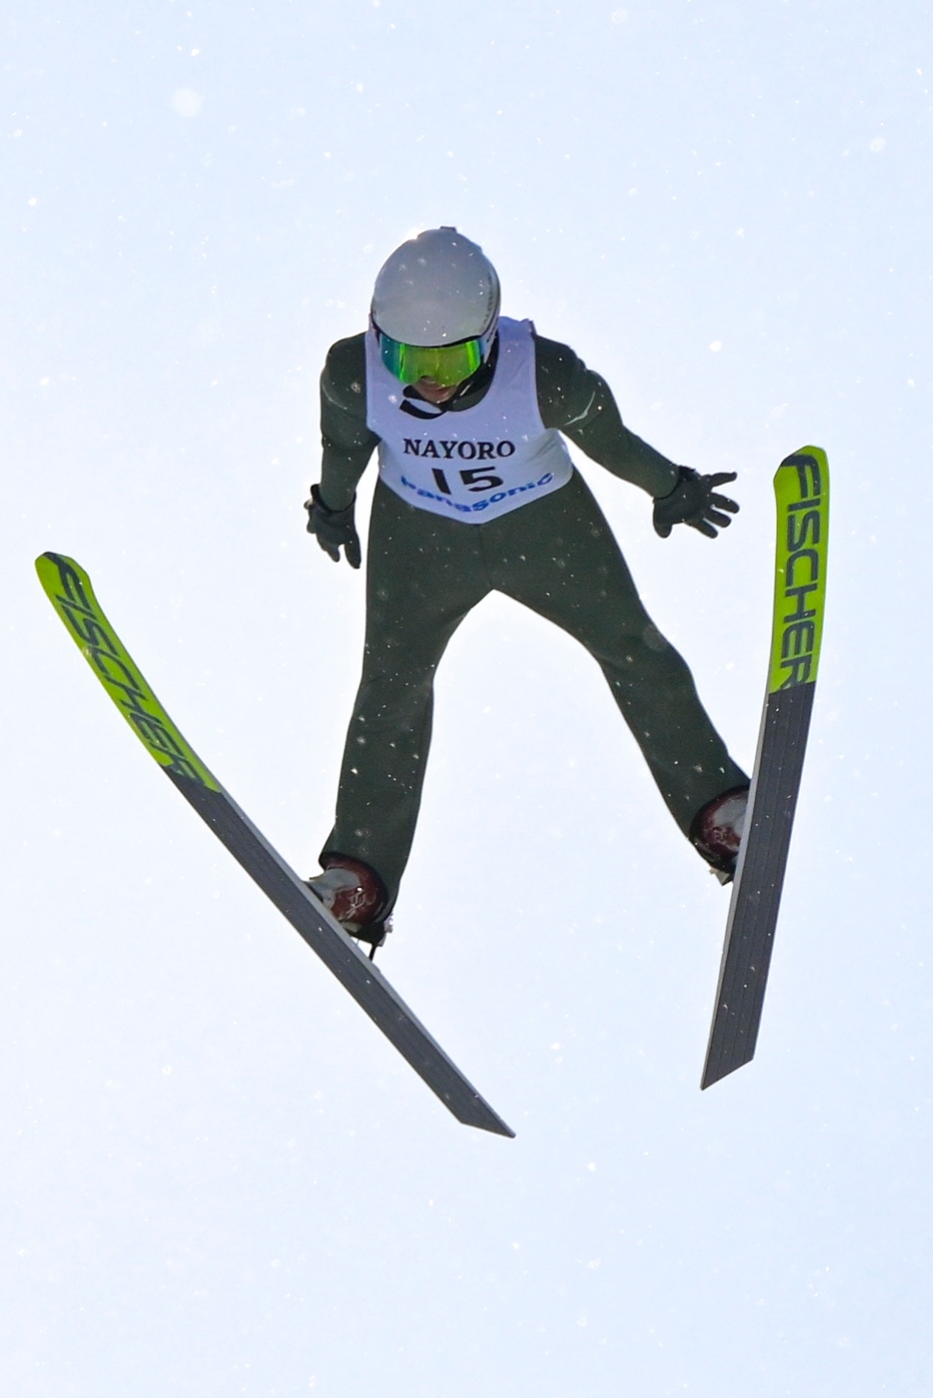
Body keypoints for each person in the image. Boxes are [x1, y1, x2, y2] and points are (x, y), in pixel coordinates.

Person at [301, 226, 751, 945]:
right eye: (405, 357)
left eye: (450, 358)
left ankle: (718, 809)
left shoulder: (547, 375)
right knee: (390, 686)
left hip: (542, 527)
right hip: (421, 538)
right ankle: (360, 876)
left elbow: (612, 442)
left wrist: (671, 487)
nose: (428, 379)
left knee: (632, 648)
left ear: (488, 337)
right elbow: (344, 444)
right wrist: (331, 505)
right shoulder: (353, 373)